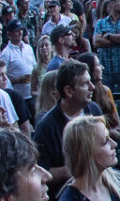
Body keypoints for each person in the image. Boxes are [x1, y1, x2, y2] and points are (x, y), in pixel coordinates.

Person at [32, 60, 102, 188]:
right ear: (69, 91)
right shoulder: (46, 127)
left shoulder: (94, 110)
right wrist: (78, 168)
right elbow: (41, 172)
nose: (92, 86)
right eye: (85, 84)